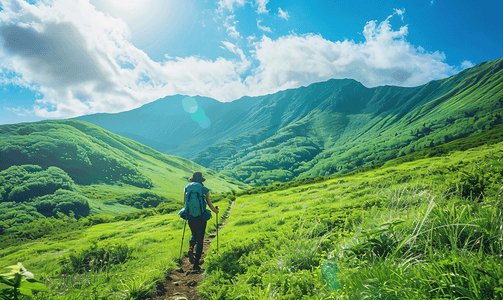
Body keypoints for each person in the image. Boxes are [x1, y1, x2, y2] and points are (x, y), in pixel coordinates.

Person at [184, 171, 219, 270]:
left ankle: (191, 248)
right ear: (201, 180)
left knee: (193, 233)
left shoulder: (187, 188)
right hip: (201, 217)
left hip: (190, 216)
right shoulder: (204, 189)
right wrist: (216, 211)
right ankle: (196, 264)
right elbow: (210, 204)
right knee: (200, 238)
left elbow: (184, 203)